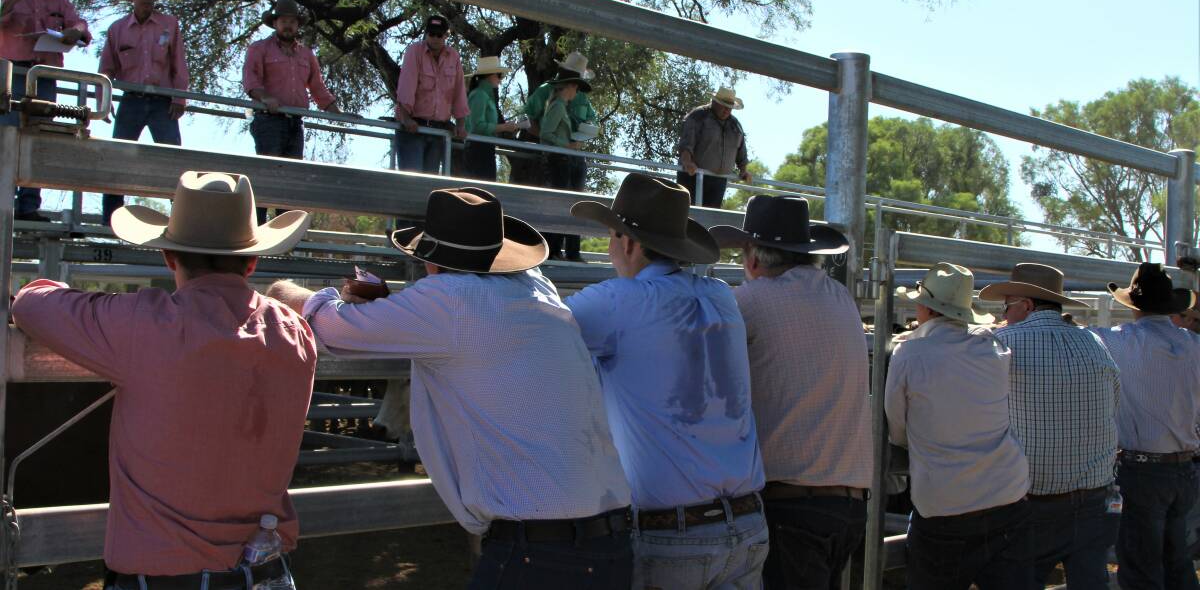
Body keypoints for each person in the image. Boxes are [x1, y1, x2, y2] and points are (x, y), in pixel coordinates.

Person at [266, 187, 634, 589]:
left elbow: (329, 326)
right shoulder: (537, 288)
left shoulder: (449, 301)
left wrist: (285, 292)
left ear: (430, 262)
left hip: (538, 555)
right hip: (609, 541)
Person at [11, 172, 316, 589]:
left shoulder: (146, 323)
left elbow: (31, 303)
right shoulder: (294, 331)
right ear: (252, 260)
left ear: (169, 256)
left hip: (162, 574)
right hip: (263, 570)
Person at [565, 173, 768, 589]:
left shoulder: (616, 302)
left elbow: (537, 329)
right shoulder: (720, 296)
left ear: (627, 242)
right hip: (747, 524)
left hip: (673, 535)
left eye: (611, 236)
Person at [709, 195, 871, 590]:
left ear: (751, 257)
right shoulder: (841, 298)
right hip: (849, 504)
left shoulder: (747, 301)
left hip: (792, 506)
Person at [884, 262, 1034, 590]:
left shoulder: (908, 354)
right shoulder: (993, 348)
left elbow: (896, 427)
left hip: (945, 504)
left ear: (926, 307)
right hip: (1006, 493)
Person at [980, 263, 1120, 588]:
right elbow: (1115, 404)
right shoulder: (1094, 343)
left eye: (1007, 306)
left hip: (1033, 499)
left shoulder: (1001, 343)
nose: (1004, 314)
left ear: (1026, 305)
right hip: (1092, 497)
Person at [1091, 262, 1200, 590]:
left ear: (1133, 306)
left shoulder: (1120, 340)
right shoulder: (1192, 344)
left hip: (1142, 471)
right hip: (1184, 468)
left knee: (1141, 565)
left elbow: (1078, 339)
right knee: (1177, 560)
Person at [0, 0, 91, 221]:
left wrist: (75, 31)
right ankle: (4, 203)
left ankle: (28, 207)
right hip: (11, 75)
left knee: (37, 138)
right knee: (8, 137)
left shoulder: (60, 2)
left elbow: (80, 25)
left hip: (45, 76)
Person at [99, 0, 189, 225]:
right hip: (131, 101)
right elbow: (106, 68)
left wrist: (179, 98)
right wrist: (103, 103)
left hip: (164, 102)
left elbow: (179, 65)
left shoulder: (169, 25)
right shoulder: (117, 29)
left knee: (173, 162)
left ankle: (182, 221)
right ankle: (111, 219)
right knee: (118, 160)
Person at [242, 0, 343, 224]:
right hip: (268, 120)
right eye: (284, 21)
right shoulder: (259, 49)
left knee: (291, 179)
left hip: (295, 123)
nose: (288, 25)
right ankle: (256, 230)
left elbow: (317, 87)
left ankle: (284, 231)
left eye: (292, 21)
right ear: (275, 23)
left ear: (298, 25)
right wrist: (265, 97)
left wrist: (336, 111)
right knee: (268, 175)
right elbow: (251, 80)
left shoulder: (306, 54)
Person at [524, 51, 598, 259]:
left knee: (576, 204)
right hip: (557, 156)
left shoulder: (570, 98)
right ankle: (553, 250)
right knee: (559, 203)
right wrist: (561, 145)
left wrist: (582, 137)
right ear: (571, 82)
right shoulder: (548, 96)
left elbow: (593, 120)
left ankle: (572, 253)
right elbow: (536, 124)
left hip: (572, 157)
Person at [393, 15, 469, 174]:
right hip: (413, 129)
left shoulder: (453, 56)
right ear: (426, 34)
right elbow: (407, 85)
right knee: (411, 183)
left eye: (439, 35)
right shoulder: (415, 51)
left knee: (429, 185)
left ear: (446, 36)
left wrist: (461, 125)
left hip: (437, 131)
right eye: (431, 34)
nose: (434, 38)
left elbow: (459, 91)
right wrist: (407, 119)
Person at [537, 70, 591, 261]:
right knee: (563, 205)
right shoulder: (558, 106)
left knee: (564, 204)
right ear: (569, 87)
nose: (576, 90)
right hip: (558, 161)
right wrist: (567, 145)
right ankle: (555, 250)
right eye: (575, 86)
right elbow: (546, 133)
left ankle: (556, 250)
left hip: (562, 160)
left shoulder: (560, 106)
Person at [676, 86, 751, 208]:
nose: (727, 110)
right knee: (687, 215)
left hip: (718, 181)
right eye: (724, 105)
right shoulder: (698, 116)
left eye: (730, 107)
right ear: (714, 102)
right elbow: (686, 143)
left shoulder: (735, 125)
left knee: (709, 219)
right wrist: (687, 161)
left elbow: (741, 149)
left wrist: (743, 170)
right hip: (693, 177)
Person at [462, 55, 519, 181]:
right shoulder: (479, 95)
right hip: (478, 150)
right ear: (489, 75)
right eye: (499, 75)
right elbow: (477, 126)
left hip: (484, 148)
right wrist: (504, 127)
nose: (501, 79)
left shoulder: (483, 95)